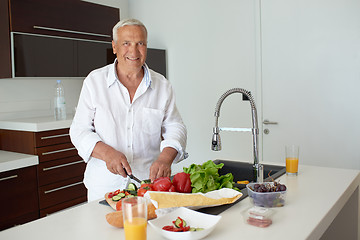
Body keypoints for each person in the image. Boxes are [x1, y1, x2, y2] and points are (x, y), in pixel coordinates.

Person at [70, 18, 187, 202]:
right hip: (104, 188)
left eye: (140, 43)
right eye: (126, 43)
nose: (133, 51)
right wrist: (107, 153)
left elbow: (175, 127)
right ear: (114, 47)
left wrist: (166, 157)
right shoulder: (94, 82)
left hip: (148, 186)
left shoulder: (162, 86)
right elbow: (78, 131)